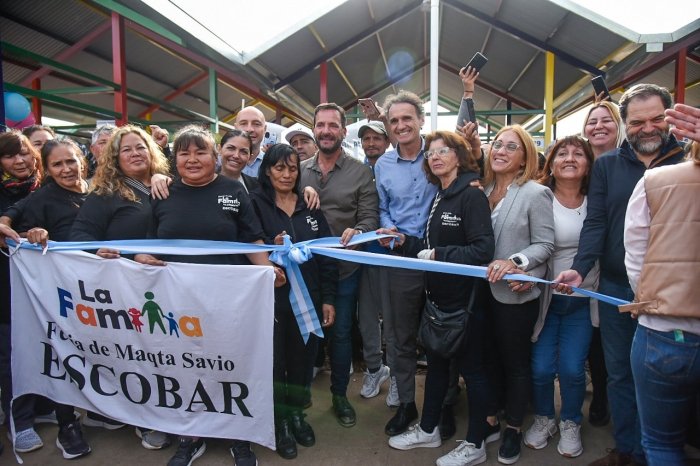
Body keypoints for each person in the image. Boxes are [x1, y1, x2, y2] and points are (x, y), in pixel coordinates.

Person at [134, 125, 285, 466]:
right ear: (174, 159)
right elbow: (148, 242)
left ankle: (239, 437)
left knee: (233, 366)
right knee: (186, 368)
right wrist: (142, 257)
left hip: (228, 301)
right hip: (177, 303)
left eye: (200, 152)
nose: (192, 159)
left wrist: (267, 271)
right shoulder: (163, 193)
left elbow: (251, 238)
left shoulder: (233, 190)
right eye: (184, 153)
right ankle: (191, 437)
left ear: (214, 156)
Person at [554, 83, 686, 466]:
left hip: (671, 293)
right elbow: (596, 222)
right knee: (620, 374)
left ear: (669, 117)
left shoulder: (687, 159)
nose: (648, 128)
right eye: (638, 122)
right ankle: (629, 450)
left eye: (656, 119)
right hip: (616, 288)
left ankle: (660, 450)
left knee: (665, 378)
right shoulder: (608, 165)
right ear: (625, 123)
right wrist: (580, 269)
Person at [381, 130, 497, 466]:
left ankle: (475, 444)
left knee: (473, 372)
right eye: (430, 153)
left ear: (458, 156)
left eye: (443, 151)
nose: (434, 157)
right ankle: (429, 428)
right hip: (439, 303)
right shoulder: (441, 196)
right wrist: (403, 241)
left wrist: (437, 255)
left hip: (466, 305)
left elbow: (483, 250)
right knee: (436, 367)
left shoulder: (471, 195)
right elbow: (428, 247)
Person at [70, 125, 172, 449]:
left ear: (151, 150)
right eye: (126, 149)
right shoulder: (105, 194)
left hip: (171, 287)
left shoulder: (170, 184)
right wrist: (125, 255)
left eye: (140, 147)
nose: (135, 153)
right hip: (128, 292)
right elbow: (80, 237)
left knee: (171, 356)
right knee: (140, 357)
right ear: (114, 157)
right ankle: (146, 420)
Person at [1, 138, 91, 459]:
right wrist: (28, 233)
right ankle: (65, 424)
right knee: (57, 354)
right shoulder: (42, 198)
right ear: (48, 169)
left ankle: (101, 412)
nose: (66, 169)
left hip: (95, 295)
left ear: (82, 160)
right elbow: (14, 227)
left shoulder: (98, 190)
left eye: (71, 161)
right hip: (58, 295)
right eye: (57, 164)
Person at [621, 103, 700, 466]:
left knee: (661, 443)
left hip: (664, 331)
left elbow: (636, 256)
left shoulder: (655, 180)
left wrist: (651, 302)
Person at [249, 144, 338, 459]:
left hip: (308, 301)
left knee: (303, 361)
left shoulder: (309, 205)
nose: (286, 175)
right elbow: (247, 245)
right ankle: (281, 421)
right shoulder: (255, 203)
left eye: (292, 169)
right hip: (270, 302)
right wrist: (271, 249)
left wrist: (328, 298)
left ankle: (298, 413)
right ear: (267, 171)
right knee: (275, 363)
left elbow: (326, 255)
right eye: (279, 168)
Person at [299, 103, 379, 428]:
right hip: (305, 270)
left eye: (333, 125)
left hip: (344, 270)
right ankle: (299, 396)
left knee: (341, 334)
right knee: (304, 333)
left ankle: (339, 396)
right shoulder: (298, 170)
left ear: (344, 131)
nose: (326, 131)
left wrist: (360, 231)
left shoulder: (361, 172)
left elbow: (370, 217)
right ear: (314, 129)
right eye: (321, 125)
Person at [482, 124, 555, 465]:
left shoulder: (535, 193)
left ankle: (513, 426)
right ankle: (491, 417)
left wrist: (516, 263)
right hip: (479, 292)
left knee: (515, 363)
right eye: (497, 144)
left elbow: (545, 244)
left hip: (514, 294)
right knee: (488, 358)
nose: (501, 151)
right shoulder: (480, 190)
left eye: (511, 147)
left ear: (525, 158)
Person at [523, 136, 598, 459]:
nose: (569, 158)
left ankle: (570, 421)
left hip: (582, 300)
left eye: (578, 154)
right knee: (540, 368)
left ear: (589, 164)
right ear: (550, 163)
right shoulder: (538, 198)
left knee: (571, 368)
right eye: (562, 153)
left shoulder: (596, 201)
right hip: (545, 300)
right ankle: (544, 418)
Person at [373, 91, 438, 436]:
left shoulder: (439, 153)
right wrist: (388, 228)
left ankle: (443, 402)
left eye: (407, 118)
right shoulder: (382, 165)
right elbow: (382, 206)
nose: (401, 125)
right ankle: (407, 403)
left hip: (440, 258)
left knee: (441, 333)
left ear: (421, 120)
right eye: (394, 120)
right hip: (400, 258)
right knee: (400, 336)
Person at [579, 99, 625, 428]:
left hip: (615, 264)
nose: (598, 126)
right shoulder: (577, 163)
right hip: (580, 264)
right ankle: (599, 390)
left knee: (608, 335)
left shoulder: (629, 164)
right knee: (591, 334)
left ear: (619, 125)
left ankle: (606, 396)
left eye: (606, 120)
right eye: (592, 121)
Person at [0, 131, 43, 454]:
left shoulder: (46, 187)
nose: (20, 161)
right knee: (13, 353)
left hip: (43, 286)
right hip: (7, 287)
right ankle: (20, 420)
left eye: (25, 153)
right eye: (10, 156)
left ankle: (45, 407)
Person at [355, 119, 392, 403]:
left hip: (396, 255)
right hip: (364, 255)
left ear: (387, 141)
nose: (371, 143)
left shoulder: (396, 168)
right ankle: (375, 368)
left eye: (376, 138)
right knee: (366, 317)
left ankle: (399, 375)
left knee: (394, 319)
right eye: (366, 139)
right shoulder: (358, 171)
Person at [235, 106, 267, 178]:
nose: (249, 129)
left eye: (256, 124)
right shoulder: (221, 163)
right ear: (236, 128)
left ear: (265, 129)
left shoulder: (271, 163)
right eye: (243, 123)